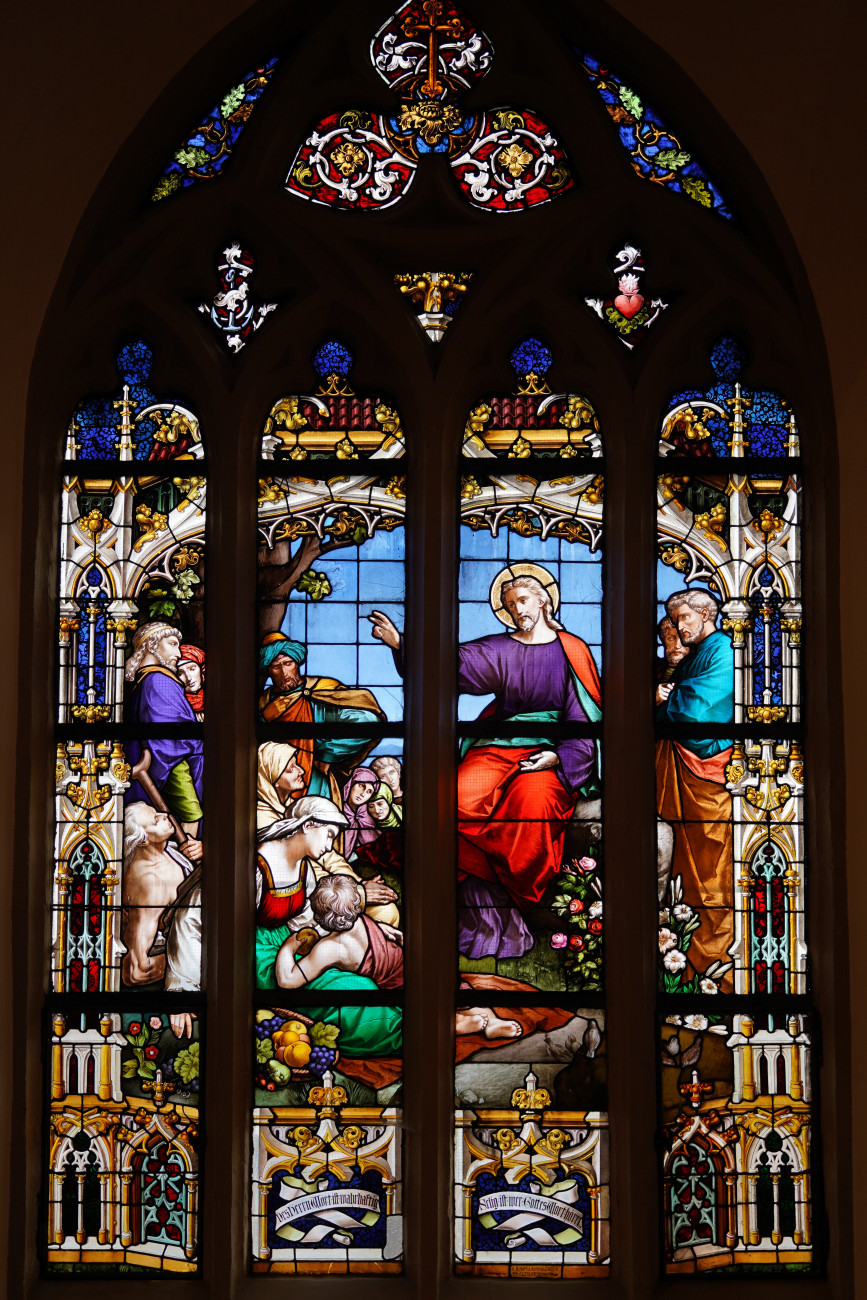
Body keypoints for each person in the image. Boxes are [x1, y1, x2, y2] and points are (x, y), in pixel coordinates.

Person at [370, 564, 601, 960]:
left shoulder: (571, 650)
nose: (517, 610)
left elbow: (585, 716)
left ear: (543, 600)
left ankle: (517, 903)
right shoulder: (501, 648)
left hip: (550, 750)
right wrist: (401, 644)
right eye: (509, 605)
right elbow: (452, 665)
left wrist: (559, 758)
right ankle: (470, 906)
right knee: (456, 797)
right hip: (499, 744)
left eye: (523, 600)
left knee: (531, 804)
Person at [275, 876, 521, 1044]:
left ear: (321, 915)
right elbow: (383, 931)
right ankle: (490, 1021)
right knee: (456, 990)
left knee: (421, 1005)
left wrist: (289, 946)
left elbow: (288, 980)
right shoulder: (359, 921)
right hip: (411, 963)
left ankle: (458, 1024)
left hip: (397, 982)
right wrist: (398, 937)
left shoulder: (329, 949)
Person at [655, 588, 735, 989]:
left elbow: (699, 708)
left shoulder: (722, 650)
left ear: (706, 614)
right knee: (684, 870)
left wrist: (662, 703)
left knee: (711, 870)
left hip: (707, 774)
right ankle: (685, 964)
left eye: (685, 617)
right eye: (675, 620)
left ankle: (717, 962)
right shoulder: (692, 656)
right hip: (682, 769)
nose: (679, 626)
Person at [255, 795, 399, 988]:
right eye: (329, 834)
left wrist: (367, 930)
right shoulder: (258, 868)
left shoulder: (305, 869)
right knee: (355, 986)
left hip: (290, 940)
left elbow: (308, 918)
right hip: (259, 950)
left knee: (355, 983)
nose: (330, 846)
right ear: (308, 825)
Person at [257, 633, 385, 800]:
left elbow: (368, 721)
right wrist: (265, 717)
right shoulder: (263, 703)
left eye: (288, 663)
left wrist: (327, 754)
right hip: (271, 785)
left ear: (297, 663)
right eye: (276, 667)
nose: (284, 672)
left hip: (314, 780)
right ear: (268, 670)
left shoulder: (319, 693)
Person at [124, 622, 204, 837]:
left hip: (167, 761)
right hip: (175, 764)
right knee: (192, 816)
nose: (178, 653)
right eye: (172, 644)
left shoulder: (146, 680)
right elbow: (171, 737)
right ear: (152, 645)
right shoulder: (159, 680)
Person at [120, 802, 202, 987]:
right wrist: (191, 956)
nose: (165, 815)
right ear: (143, 840)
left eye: (158, 812)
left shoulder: (168, 850)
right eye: (156, 820)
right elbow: (135, 971)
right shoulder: (150, 883)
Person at [256, 742, 306, 832]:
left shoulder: (296, 807)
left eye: (296, 764)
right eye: (291, 769)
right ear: (274, 780)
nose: (301, 771)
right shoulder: (263, 818)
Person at [341, 766, 379, 856]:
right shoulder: (335, 810)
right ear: (351, 784)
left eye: (369, 791)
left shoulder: (367, 820)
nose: (363, 794)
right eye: (362, 785)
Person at [656, 615, 689, 684]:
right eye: (671, 638)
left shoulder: (698, 671)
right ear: (663, 640)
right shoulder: (655, 670)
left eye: (683, 638)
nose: (677, 646)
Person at [177, 643, 205, 718]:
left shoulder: (214, 698)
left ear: (202, 670)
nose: (188, 678)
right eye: (180, 674)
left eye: (192, 669)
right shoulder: (175, 704)